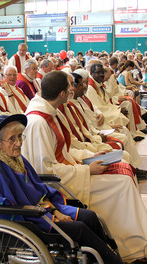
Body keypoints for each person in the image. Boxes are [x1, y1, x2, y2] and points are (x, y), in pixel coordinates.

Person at [22, 70, 147, 263]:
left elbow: (66, 149)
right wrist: (87, 169)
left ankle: (135, 241)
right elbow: (45, 171)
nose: (72, 90)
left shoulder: (50, 112)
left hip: (72, 171)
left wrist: (90, 157)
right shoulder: (38, 121)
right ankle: (130, 246)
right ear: (62, 94)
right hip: (59, 185)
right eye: (69, 87)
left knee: (123, 168)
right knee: (121, 183)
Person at [0, 114, 122, 264]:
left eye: (19, 136)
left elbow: (38, 189)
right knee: (80, 228)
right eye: (12, 139)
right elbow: (4, 205)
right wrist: (52, 216)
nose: (18, 143)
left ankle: (101, 259)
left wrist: (55, 211)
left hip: (44, 210)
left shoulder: (18, 159)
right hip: (29, 218)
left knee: (90, 216)